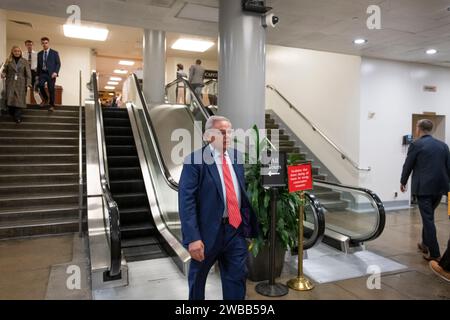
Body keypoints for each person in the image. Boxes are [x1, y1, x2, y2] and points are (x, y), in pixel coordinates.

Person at [178, 115, 259, 300]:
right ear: (208, 136)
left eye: (229, 131)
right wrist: (193, 238)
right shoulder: (195, 160)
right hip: (206, 234)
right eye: (222, 132)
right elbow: (186, 201)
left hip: (234, 230)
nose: (227, 136)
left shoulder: (236, 157)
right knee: (198, 279)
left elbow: (239, 191)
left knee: (237, 278)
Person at [400, 119, 450, 261]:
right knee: (429, 216)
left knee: (428, 220)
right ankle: (425, 244)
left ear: (419, 129)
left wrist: (403, 181)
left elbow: (408, 164)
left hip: (424, 189)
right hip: (440, 188)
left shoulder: (416, 144)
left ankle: (434, 253)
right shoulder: (443, 146)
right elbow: (449, 167)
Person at [0, 46, 32, 123]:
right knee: (11, 99)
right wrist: (3, 74)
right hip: (10, 82)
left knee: (19, 100)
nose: (17, 52)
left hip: (21, 82)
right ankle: (12, 113)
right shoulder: (8, 60)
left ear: (20, 52)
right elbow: (5, 70)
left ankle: (18, 117)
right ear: (12, 52)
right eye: (15, 51)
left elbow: (28, 74)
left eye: (18, 51)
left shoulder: (25, 61)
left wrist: (28, 83)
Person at [37, 36, 61, 112]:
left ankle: (51, 105)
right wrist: (37, 75)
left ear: (48, 43)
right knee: (40, 85)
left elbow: (58, 63)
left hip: (51, 74)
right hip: (42, 73)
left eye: (46, 43)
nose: (44, 44)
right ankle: (45, 98)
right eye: (43, 43)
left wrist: (56, 72)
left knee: (51, 89)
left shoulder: (54, 53)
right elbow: (38, 65)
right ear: (41, 44)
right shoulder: (39, 54)